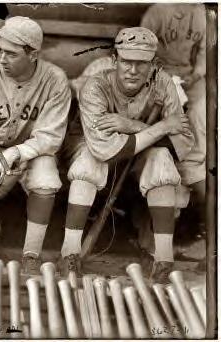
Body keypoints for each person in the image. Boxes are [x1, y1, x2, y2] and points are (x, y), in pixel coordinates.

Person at [59, 27, 194, 282]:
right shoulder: (95, 85)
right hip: (89, 153)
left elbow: (183, 145)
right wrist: (162, 128)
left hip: (137, 158)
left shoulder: (164, 83)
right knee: (91, 162)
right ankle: (70, 252)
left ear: (153, 64)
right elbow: (104, 149)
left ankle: (162, 259)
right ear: (114, 61)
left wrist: (133, 126)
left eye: (141, 64)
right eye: (126, 62)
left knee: (162, 160)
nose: (132, 70)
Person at [0, 16, 71, 272]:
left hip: (34, 151)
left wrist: (15, 153)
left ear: (33, 54)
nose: (2, 58)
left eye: (12, 54)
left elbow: (49, 136)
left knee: (47, 180)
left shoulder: (55, 80)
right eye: (0, 51)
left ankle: (31, 253)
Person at [141, 3, 207, 253]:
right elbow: (141, 48)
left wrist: (197, 75)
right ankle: (154, 234)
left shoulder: (201, 12)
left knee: (203, 110)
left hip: (190, 78)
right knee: (168, 124)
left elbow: (206, 52)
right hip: (158, 76)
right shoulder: (159, 10)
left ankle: (191, 173)